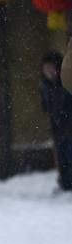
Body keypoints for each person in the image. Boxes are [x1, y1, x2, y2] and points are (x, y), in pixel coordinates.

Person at [39, 51, 72, 191]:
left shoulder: (65, 82)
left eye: (51, 67)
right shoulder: (45, 85)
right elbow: (46, 107)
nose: (48, 71)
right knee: (62, 157)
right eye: (45, 68)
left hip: (69, 127)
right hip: (58, 128)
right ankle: (65, 184)